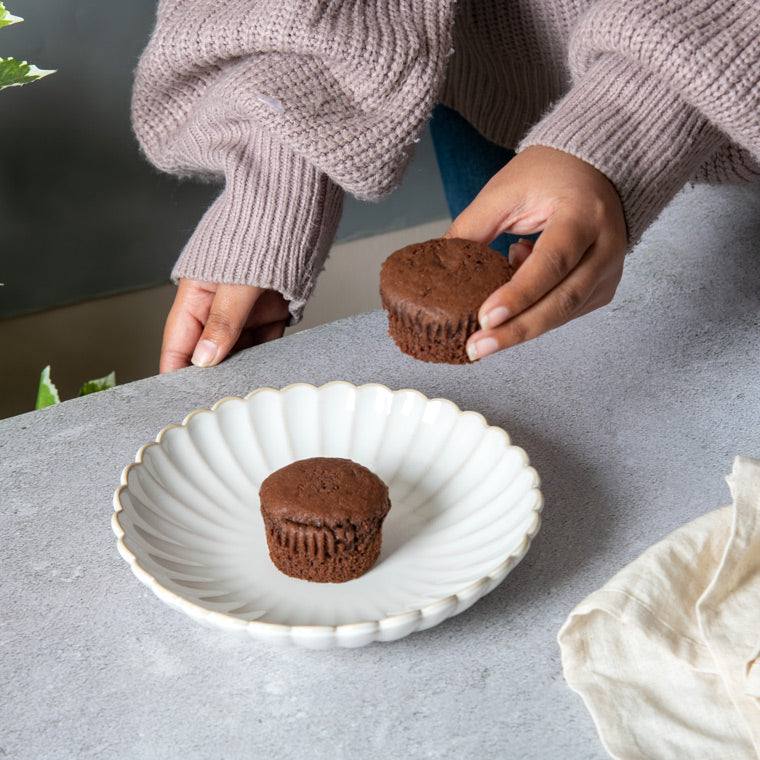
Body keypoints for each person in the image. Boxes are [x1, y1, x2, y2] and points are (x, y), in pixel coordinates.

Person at [132, 0, 760, 372]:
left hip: (731, 97)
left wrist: (635, 114)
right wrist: (277, 150)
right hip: (494, 92)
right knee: (541, 387)